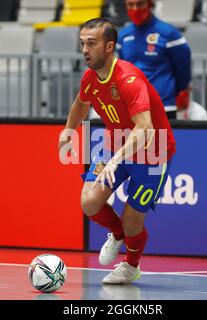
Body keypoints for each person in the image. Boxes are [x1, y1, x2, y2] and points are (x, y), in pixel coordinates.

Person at [58, 18, 176, 284]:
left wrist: (115, 160)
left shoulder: (128, 78)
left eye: (92, 43)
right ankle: (118, 234)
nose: (85, 50)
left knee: (133, 221)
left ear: (109, 46)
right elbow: (81, 102)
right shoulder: (90, 77)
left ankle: (131, 266)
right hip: (115, 145)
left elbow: (144, 128)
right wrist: (69, 129)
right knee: (89, 201)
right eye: (82, 44)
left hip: (152, 152)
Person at [117, 0, 207, 121]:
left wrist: (182, 91)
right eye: (130, 5)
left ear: (150, 4)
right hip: (133, 106)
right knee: (135, 141)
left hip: (164, 105)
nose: (135, 9)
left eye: (140, 4)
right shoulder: (122, 36)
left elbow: (183, 67)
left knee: (163, 141)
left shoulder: (170, 33)